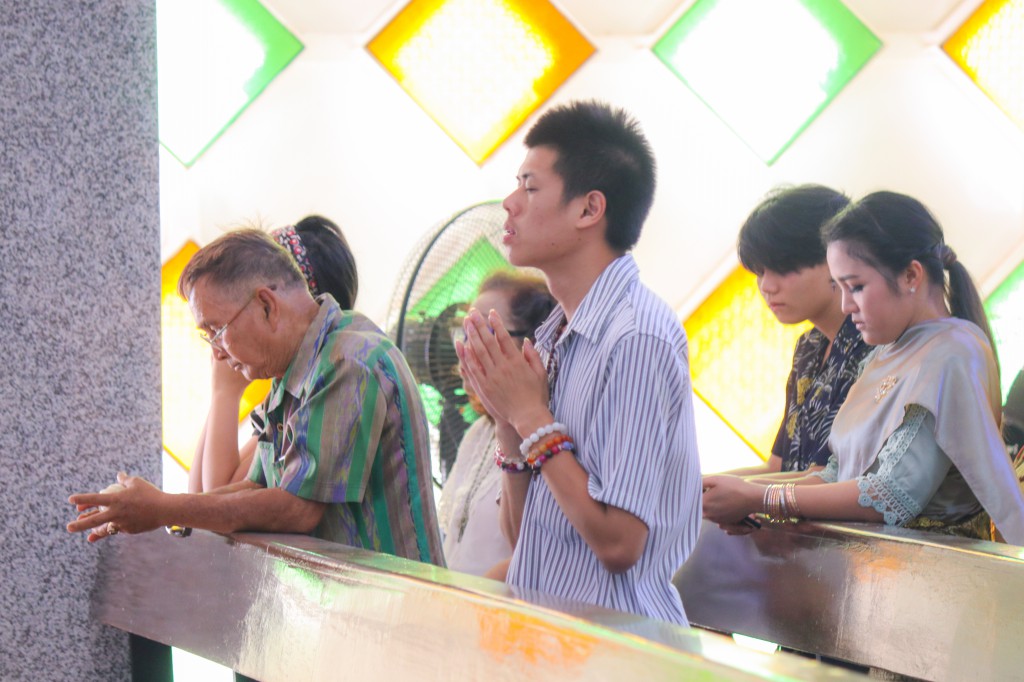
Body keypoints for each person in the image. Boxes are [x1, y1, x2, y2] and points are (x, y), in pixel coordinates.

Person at [457, 100, 702, 624]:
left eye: (529, 187)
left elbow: (619, 544)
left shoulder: (635, 337)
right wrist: (507, 421)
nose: (508, 204)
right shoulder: (556, 334)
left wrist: (530, 416)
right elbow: (525, 541)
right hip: (551, 636)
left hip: (617, 643)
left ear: (589, 210)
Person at [68, 229, 445, 565]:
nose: (216, 352)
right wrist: (158, 507)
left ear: (266, 305)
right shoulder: (290, 373)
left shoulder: (347, 361)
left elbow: (296, 508)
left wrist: (164, 508)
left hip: (401, 611)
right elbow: (256, 488)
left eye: (216, 331)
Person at [703, 191, 1024, 545]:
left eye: (856, 287)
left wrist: (759, 498)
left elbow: (890, 494)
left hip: (934, 569)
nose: (846, 305)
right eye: (840, 288)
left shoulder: (951, 352)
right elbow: (835, 474)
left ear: (910, 275)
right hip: (877, 565)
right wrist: (747, 499)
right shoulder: (885, 352)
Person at [189, 215, 358, 493]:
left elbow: (218, 494)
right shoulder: (281, 396)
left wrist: (226, 393)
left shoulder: (327, 379)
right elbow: (200, 499)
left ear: (271, 304)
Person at [724, 185, 869, 477]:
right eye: (760, 272)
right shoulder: (808, 346)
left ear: (835, 259)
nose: (767, 286)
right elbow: (777, 467)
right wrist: (691, 486)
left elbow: (824, 479)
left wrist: (731, 493)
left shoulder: (871, 343)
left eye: (782, 268)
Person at [438, 271, 555, 576]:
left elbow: (535, 556)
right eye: (465, 334)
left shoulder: (547, 437)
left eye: (483, 335)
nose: (466, 349)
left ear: (531, 346)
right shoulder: (478, 433)